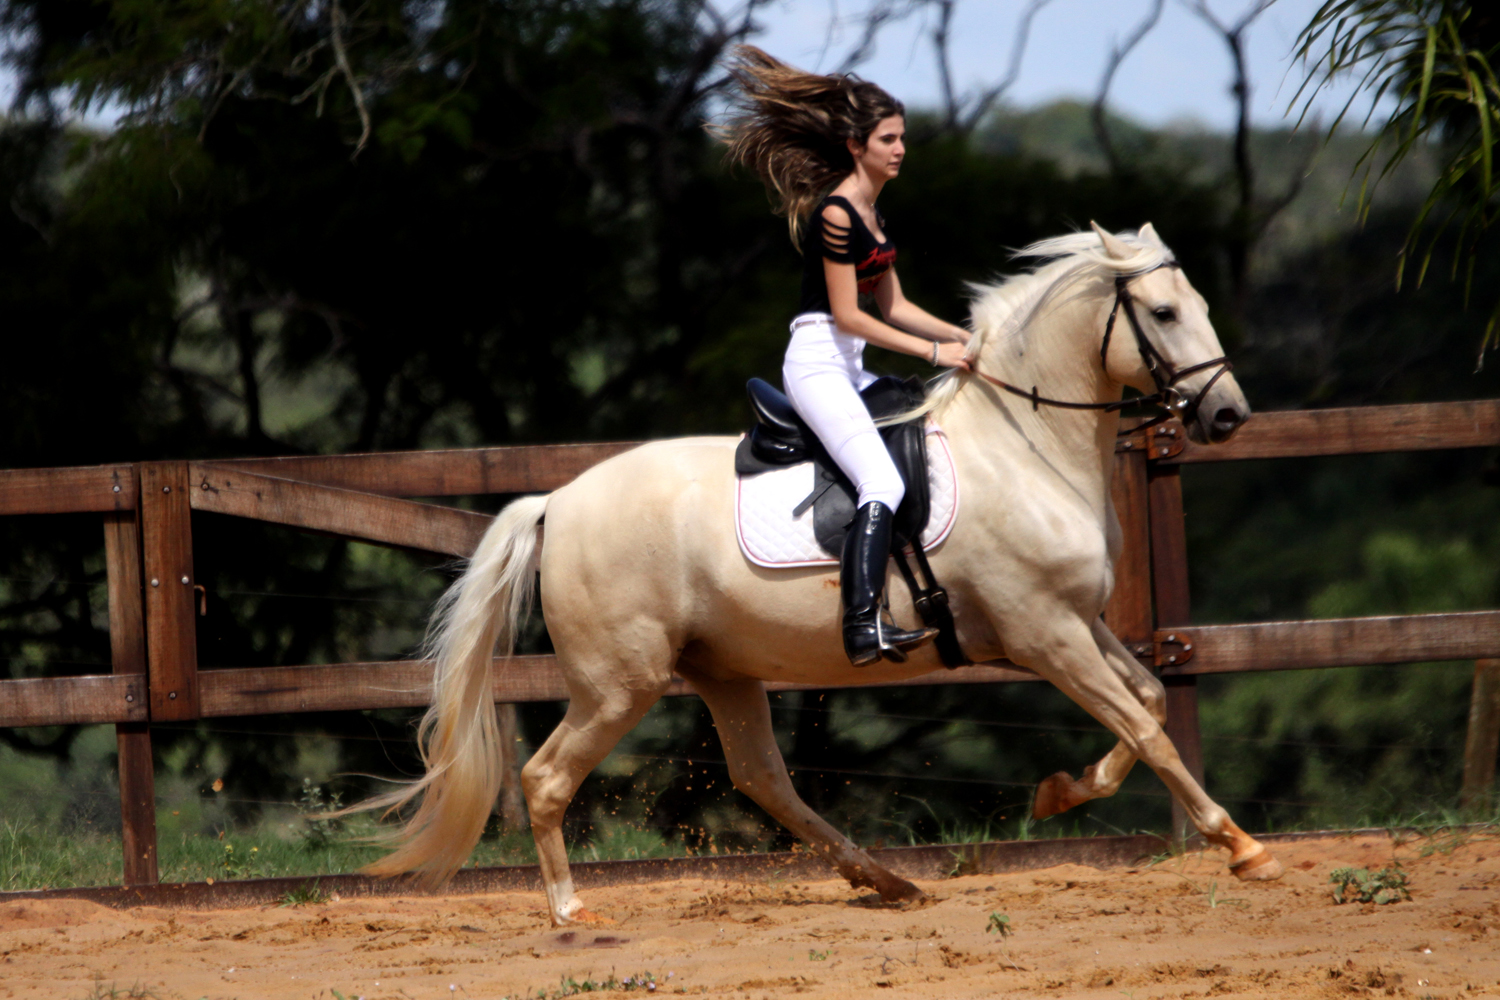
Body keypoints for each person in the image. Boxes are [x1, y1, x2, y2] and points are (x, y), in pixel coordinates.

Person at [721, 46, 972, 667]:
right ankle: (862, 625)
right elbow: (850, 316)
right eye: (889, 138)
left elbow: (897, 305)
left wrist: (971, 338)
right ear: (857, 145)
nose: (901, 148)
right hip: (816, 363)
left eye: (903, 137)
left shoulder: (875, 215)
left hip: (850, 363)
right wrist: (936, 351)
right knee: (880, 479)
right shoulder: (836, 214)